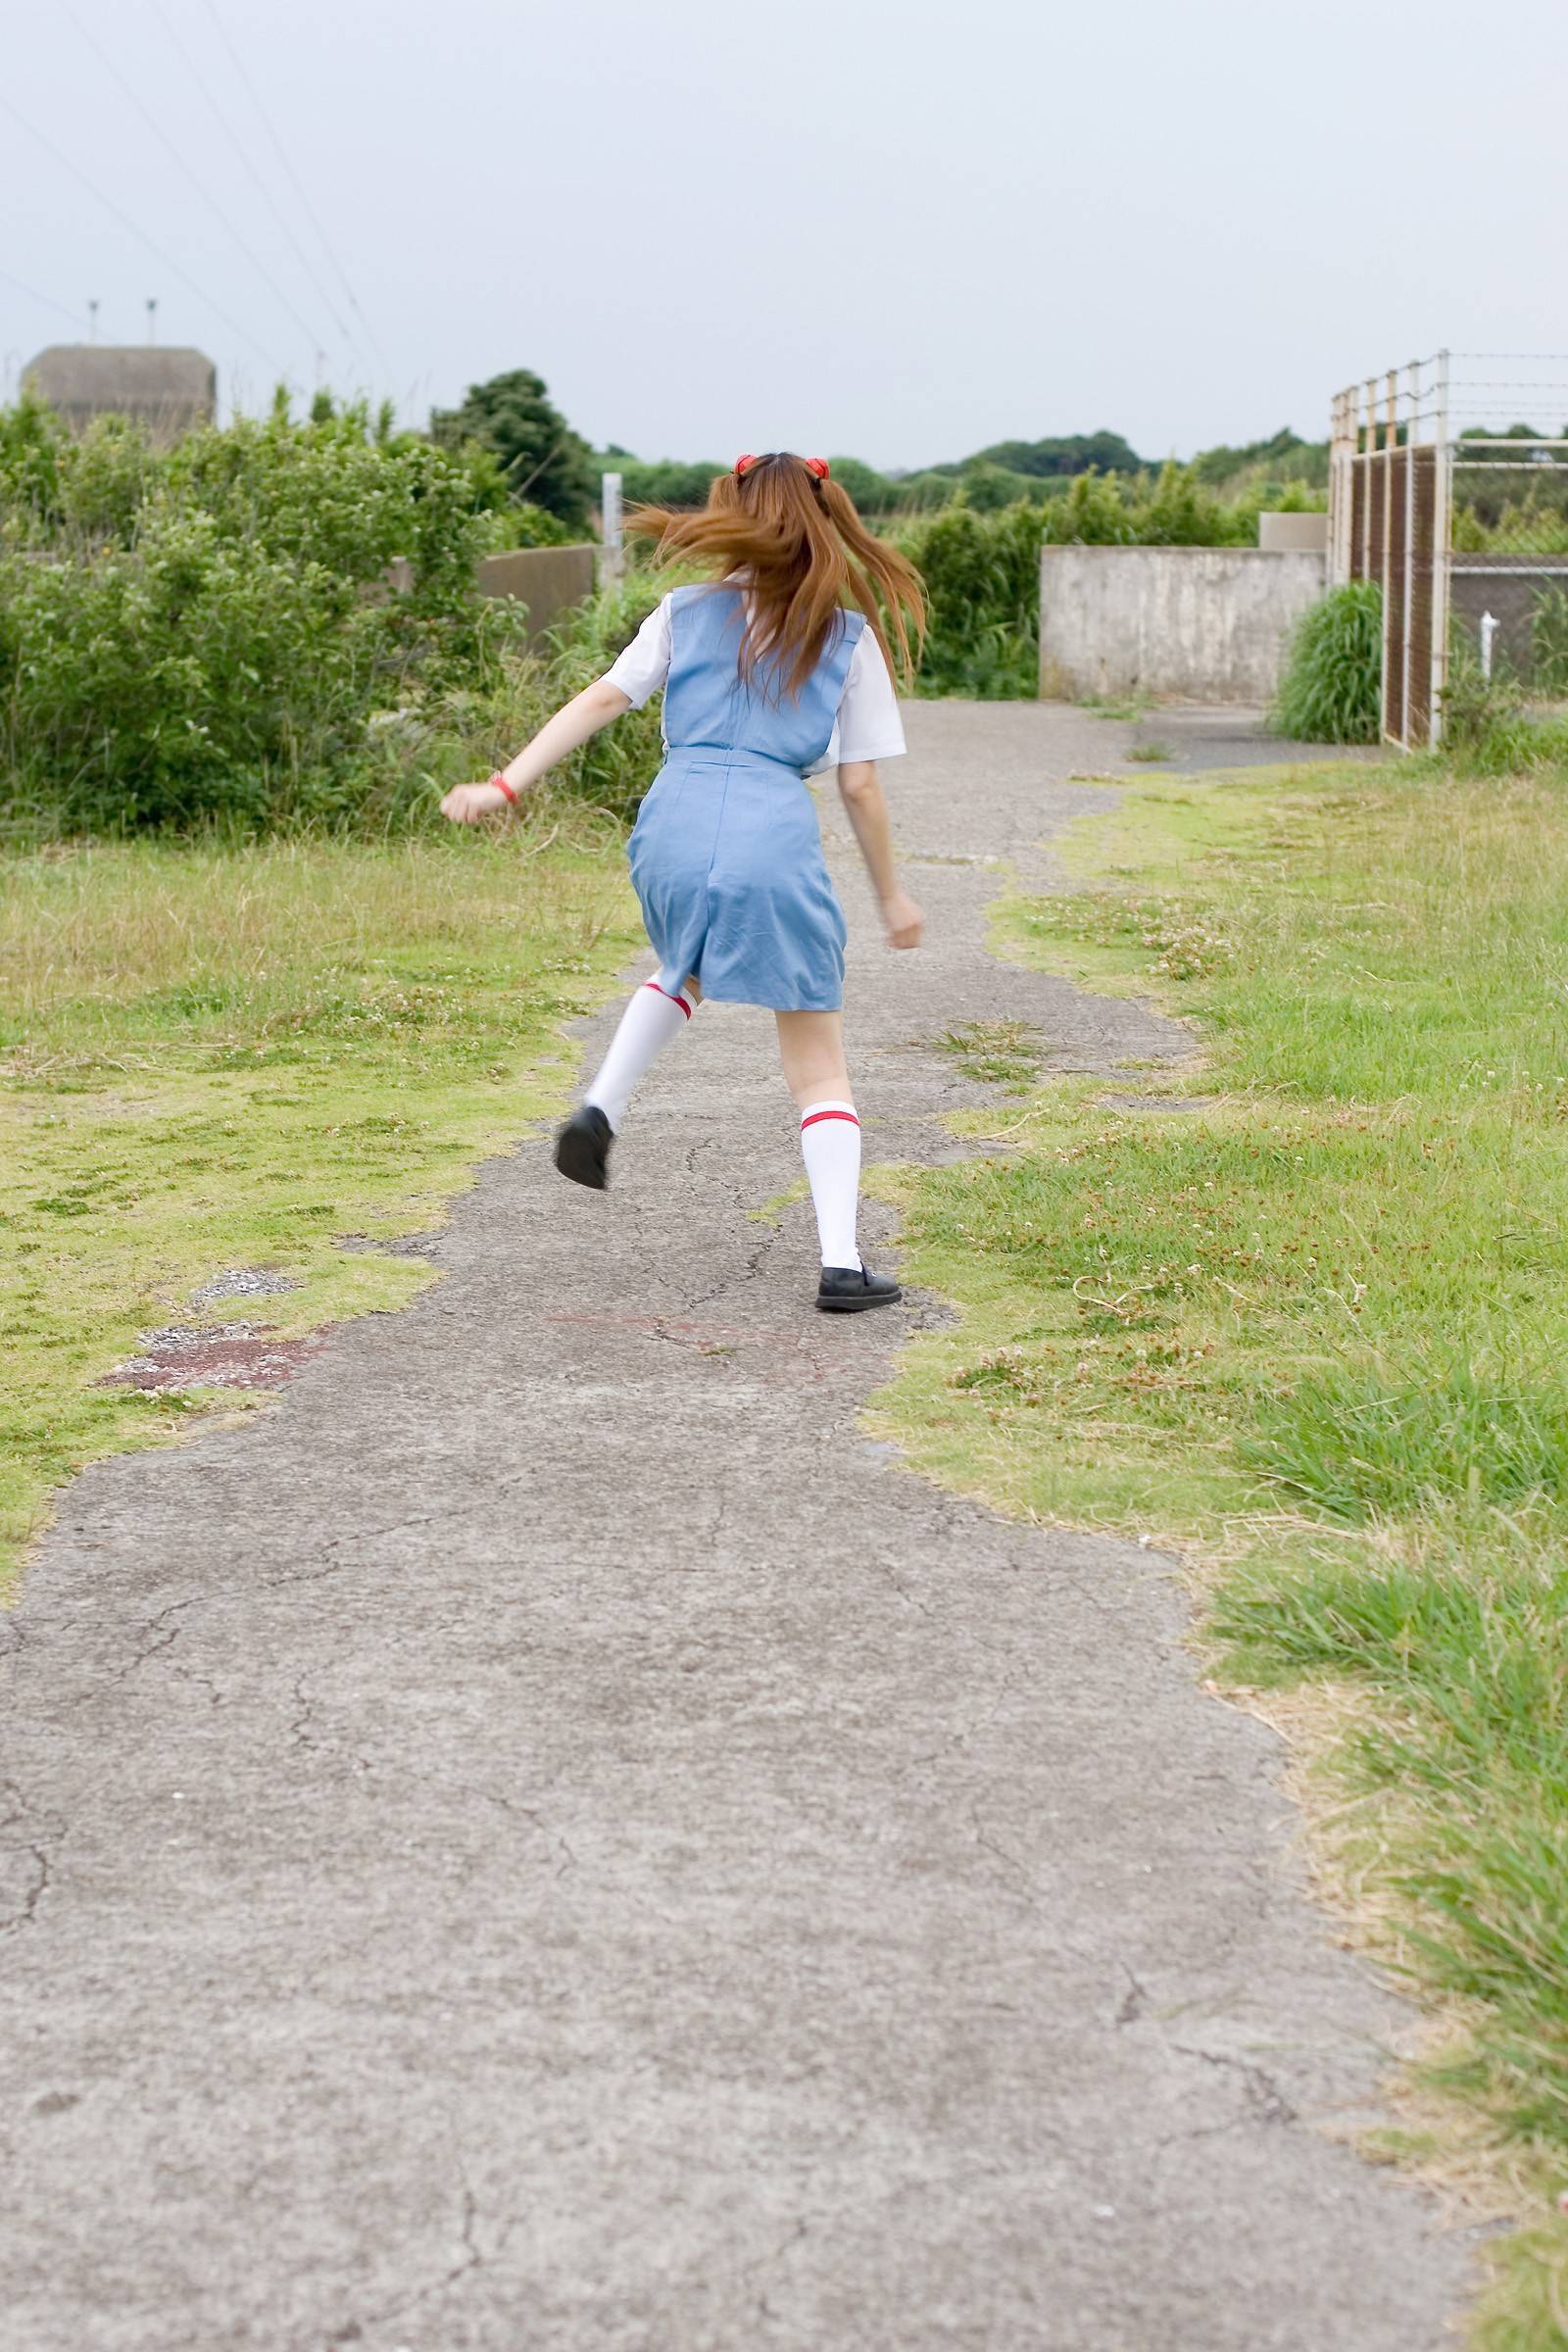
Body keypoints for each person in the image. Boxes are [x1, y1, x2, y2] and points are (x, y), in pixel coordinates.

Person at [440, 451, 927, 1314]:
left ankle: (601, 1105)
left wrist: (505, 784)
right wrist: (892, 896)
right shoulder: (848, 637)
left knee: (684, 962)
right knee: (817, 1060)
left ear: (732, 510)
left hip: (673, 819)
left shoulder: (683, 612)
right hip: (770, 829)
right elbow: (858, 785)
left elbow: (599, 700)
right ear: (825, 516)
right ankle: (842, 1266)